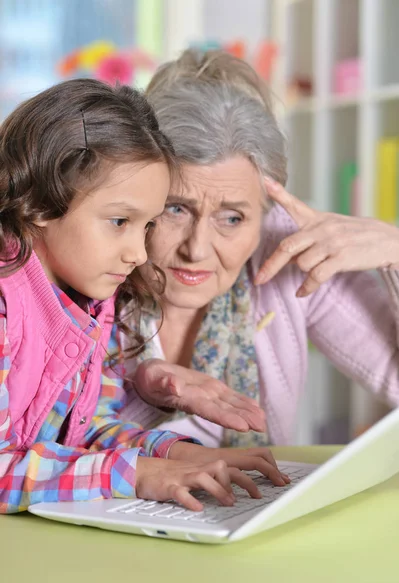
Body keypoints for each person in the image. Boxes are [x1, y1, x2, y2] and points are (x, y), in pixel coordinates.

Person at [0, 78, 289, 514]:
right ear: (39, 204)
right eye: (119, 221)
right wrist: (134, 473)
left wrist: (175, 453)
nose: (138, 254)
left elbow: (83, 428)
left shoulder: (92, 300)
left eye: (149, 225)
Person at [121, 49, 399, 448]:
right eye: (176, 209)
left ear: (266, 217)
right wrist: (145, 397)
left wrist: (395, 250)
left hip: (253, 507)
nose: (197, 250)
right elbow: (40, 444)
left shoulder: (285, 250)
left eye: (232, 218)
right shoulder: (95, 259)